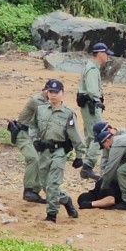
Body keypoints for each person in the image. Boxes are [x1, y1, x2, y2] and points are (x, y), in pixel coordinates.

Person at [28, 79, 83, 222]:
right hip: (43, 151)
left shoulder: (68, 113)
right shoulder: (40, 110)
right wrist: (34, 140)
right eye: (50, 92)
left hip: (59, 152)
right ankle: (65, 200)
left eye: (56, 92)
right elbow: (32, 126)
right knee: (46, 185)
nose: (53, 95)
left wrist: (79, 155)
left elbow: (75, 135)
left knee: (53, 184)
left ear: (62, 94)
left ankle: (51, 215)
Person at [76, 42, 113, 180]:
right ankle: (88, 166)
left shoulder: (92, 67)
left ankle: (86, 162)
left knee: (91, 135)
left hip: (88, 105)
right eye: (106, 53)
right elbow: (92, 90)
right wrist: (98, 102)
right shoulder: (92, 69)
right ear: (100, 53)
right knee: (99, 136)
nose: (108, 56)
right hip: (91, 105)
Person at [10, 84, 50, 203]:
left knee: (41, 160)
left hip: (33, 136)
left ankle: (34, 192)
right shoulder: (36, 101)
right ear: (45, 90)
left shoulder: (45, 102)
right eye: (51, 91)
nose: (53, 94)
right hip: (23, 134)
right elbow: (48, 112)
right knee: (33, 159)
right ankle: (28, 190)